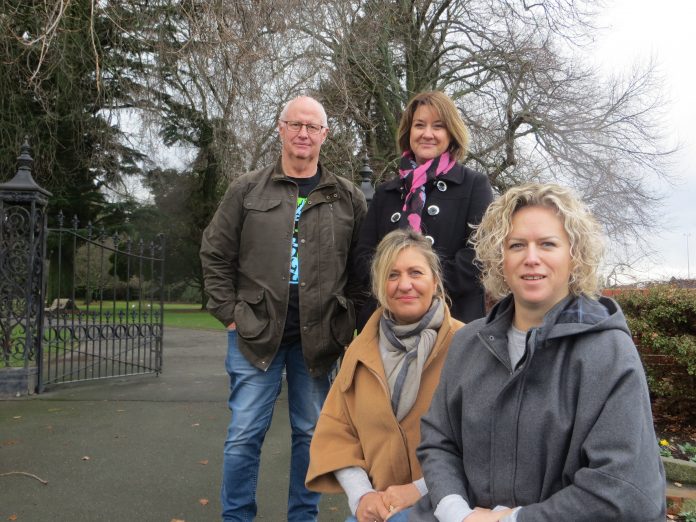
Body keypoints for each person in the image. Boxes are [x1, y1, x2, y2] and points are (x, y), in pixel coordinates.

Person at [411, 183, 666, 521]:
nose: (531, 258)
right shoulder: (467, 344)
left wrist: (511, 520)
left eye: (547, 244)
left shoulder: (608, 353)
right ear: (499, 257)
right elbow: (439, 442)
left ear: (574, 255)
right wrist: (457, 512)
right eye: (517, 245)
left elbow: (624, 488)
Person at [200, 95, 367, 521]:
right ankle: (236, 517)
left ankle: (302, 518)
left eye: (313, 127)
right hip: (255, 333)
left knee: (311, 437)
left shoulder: (346, 197)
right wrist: (229, 313)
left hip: (319, 337)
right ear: (280, 128)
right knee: (243, 437)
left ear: (325, 135)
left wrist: (349, 322)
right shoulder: (247, 189)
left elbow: (364, 269)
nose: (303, 133)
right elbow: (215, 253)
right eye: (296, 124)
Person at [306, 229, 464, 522]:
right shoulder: (359, 351)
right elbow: (337, 433)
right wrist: (362, 497)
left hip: (450, 505)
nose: (404, 285)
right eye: (392, 275)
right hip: (378, 509)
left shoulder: (467, 345)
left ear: (435, 280)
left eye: (416, 272)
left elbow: (483, 444)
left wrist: (418, 490)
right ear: (380, 285)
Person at [354, 91, 493, 329]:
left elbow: (479, 255)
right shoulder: (386, 192)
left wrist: (422, 284)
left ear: (451, 133)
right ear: (409, 132)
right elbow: (363, 258)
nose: (427, 134)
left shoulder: (474, 185)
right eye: (419, 125)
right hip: (389, 322)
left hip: (453, 320)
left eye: (438, 126)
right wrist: (396, 284)